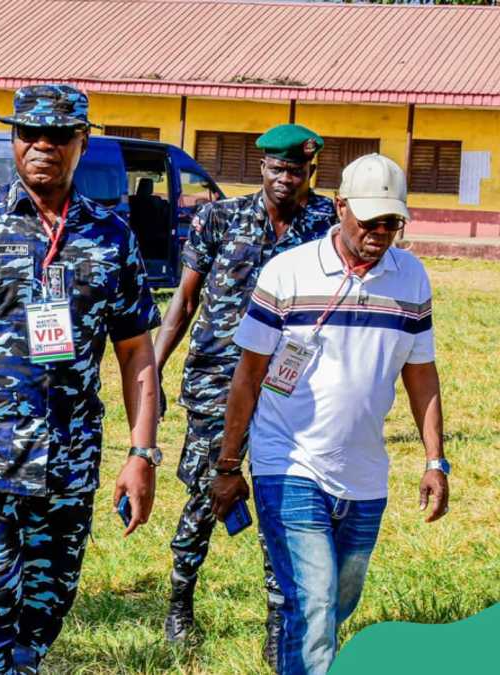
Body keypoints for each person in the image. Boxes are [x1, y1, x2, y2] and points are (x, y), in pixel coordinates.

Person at [0, 84, 162, 674]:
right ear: (13, 140)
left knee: (44, 616)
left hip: (68, 465)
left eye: (59, 136)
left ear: (83, 142)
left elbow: (136, 354)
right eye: (29, 134)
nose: (42, 147)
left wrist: (142, 453)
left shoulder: (110, 236)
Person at [212, 153, 449, 675]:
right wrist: (229, 466)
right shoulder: (288, 273)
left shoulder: (410, 279)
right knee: (314, 603)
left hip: (365, 474)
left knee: (337, 602)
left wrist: (436, 461)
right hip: (288, 463)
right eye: (369, 220)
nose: (381, 232)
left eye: (392, 222)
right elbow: (248, 376)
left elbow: (421, 374)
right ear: (340, 207)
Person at [153, 123, 337, 662]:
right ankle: (179, 601)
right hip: (217, 381)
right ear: (261, 168)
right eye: (278, 169)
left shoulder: (327, 223)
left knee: (286, 501)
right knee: (210, 493)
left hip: (295, 386)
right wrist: (153, 374)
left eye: (297, 170)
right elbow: (184, 303)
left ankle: (280, 620)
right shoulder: (219, 218)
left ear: (310, 172)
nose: (287, 179)